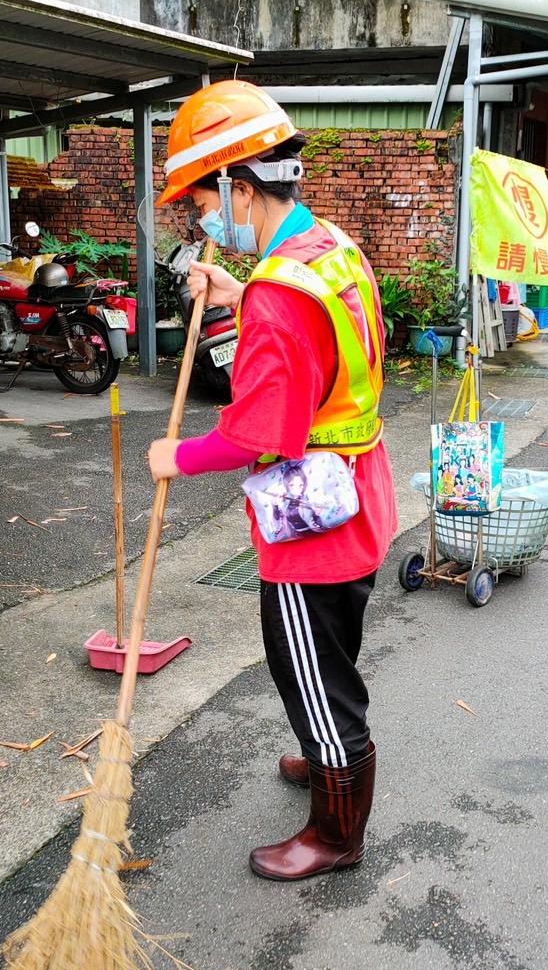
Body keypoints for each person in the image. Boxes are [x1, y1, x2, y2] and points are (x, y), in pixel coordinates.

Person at [146, 80, 396, 881]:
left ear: (241, 190)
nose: (202, 223)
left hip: (310, 523)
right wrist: (239, 292)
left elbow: (261, 430)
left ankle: (335, 833)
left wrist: (175, 458)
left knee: (310, 669)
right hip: (357, 493)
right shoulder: (328, 246)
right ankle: (322, 757)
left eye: (205, 203)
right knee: (333, 656)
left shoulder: (279, 299)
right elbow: (313, 334)